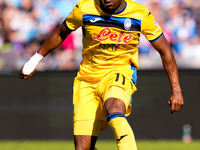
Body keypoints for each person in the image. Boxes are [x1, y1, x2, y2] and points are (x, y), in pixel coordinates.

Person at [20, 0, 184, 149]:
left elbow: (165, 50)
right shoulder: (84, 9)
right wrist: (34, 60)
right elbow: (60, 33)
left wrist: (176, 90)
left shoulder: (140, 14)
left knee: (115, 108)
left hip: (120, 72)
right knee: (83, 147)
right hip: (87, 78)